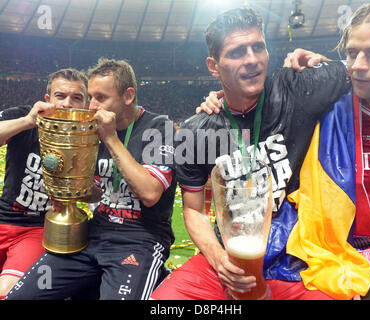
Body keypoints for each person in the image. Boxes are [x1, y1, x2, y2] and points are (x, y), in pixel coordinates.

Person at [194, 0, 370, 300]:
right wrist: (226, 95)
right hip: (337, 257)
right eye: (352, 53)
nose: (358, 65)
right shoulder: (333, 104)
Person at [151, 7, 352, 300]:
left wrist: (322, 61)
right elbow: (193, 210)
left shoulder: (297, 88)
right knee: (163, 303)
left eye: (258, 47)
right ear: (213, 66)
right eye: (237, 52)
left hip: (300, 257)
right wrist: (218, 259)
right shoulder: (197, 132)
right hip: (231, 259)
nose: (252, 60)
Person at [6, 58, 177, 300]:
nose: (92, 106)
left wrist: (110, 139)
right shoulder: (90, 129)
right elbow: (96, 191)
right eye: (91, 98)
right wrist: (70, 189)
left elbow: (150, 194)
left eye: (101, 98)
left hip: (140, 241)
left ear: (128, 96)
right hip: (93, 235)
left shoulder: (159, 127)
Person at [0, 68, 90, 299]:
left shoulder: (91, 135)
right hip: (3, 218)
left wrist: (77, 193)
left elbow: (96, 194)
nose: (67, 104)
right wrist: (27, 121)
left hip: (38, 229)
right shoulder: (24, 118)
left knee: (8, 292)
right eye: (60, 96)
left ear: (86, 103)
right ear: (48, 99)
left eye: (76, 97)